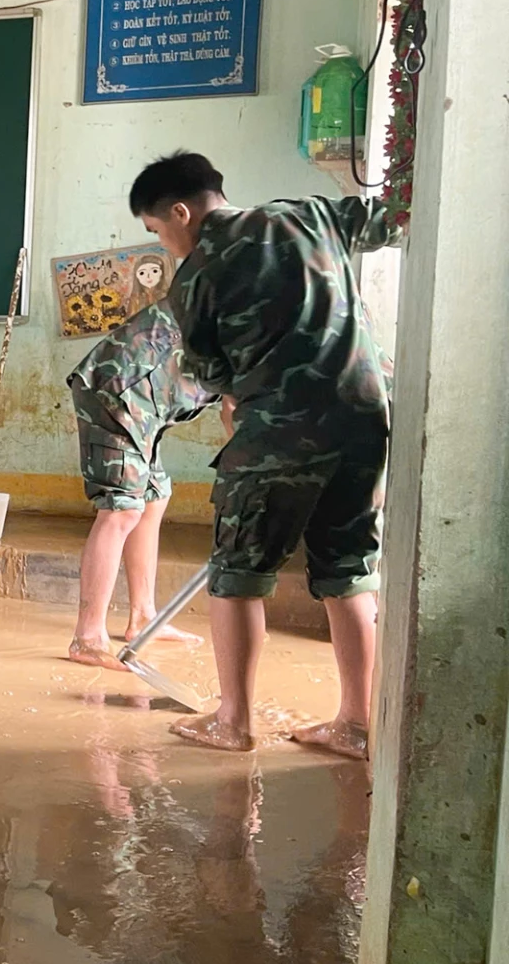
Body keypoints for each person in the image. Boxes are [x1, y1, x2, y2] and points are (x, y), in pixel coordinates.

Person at [130, 151, 405, 758]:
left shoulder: (196, 278)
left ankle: (233, 721)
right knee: (349, 570)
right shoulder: (309, 213)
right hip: (365, 421)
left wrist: (239, 403)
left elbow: (213, 376)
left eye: (157, 231)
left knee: (238, 574)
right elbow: (392, 220)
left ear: (180, 211)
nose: (165, 243)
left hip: (279, 431)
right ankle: (357, 724)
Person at [65, 300, 226, 668]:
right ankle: (87, 638)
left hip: (146, 402)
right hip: (117, 391)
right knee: (122, 508)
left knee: (154, 498)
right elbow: (237, 410)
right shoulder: (251, 312)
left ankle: (143, 617)